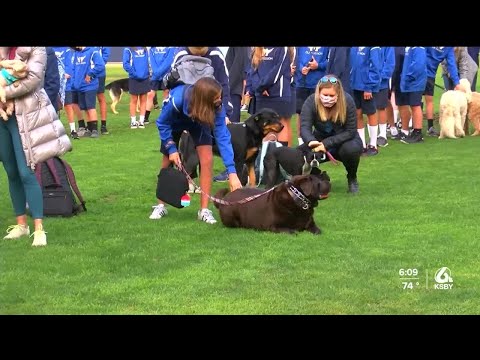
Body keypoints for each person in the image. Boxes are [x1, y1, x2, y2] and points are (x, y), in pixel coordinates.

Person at [0, 47, 72, 246]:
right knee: (11, 171)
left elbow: (32, 80)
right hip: (3, 117)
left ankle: (39, 229)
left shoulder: (36, 49)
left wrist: (3, 91)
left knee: (26, 172)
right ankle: (21, 225)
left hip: (26, 117)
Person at [150, 77, 242, 223]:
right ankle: (161, 205)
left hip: (199, 121)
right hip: (174, 123)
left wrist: (232, 172)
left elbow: (223, 136)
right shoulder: (177, 99)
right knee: (167, 160)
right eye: (216, 98)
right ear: (203, 99)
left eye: (220, 96)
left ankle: (204, 210)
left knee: (207, 160)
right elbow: (162, 123)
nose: (219, 101)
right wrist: (172, 148)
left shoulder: (216, 107)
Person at [300, 75, 363, 194]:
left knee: (351, 150)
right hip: (318, 140)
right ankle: (316, 177)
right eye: (325, 95)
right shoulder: (310, 102)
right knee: (297, 155)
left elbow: (351, 131)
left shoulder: (348, 101)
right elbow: (304, 127)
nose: (327, 98)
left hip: (345, 140)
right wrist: (311, 141)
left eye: (331, 95)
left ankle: (352, 178)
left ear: (338, 94)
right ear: (318, 93)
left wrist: (326, 144)